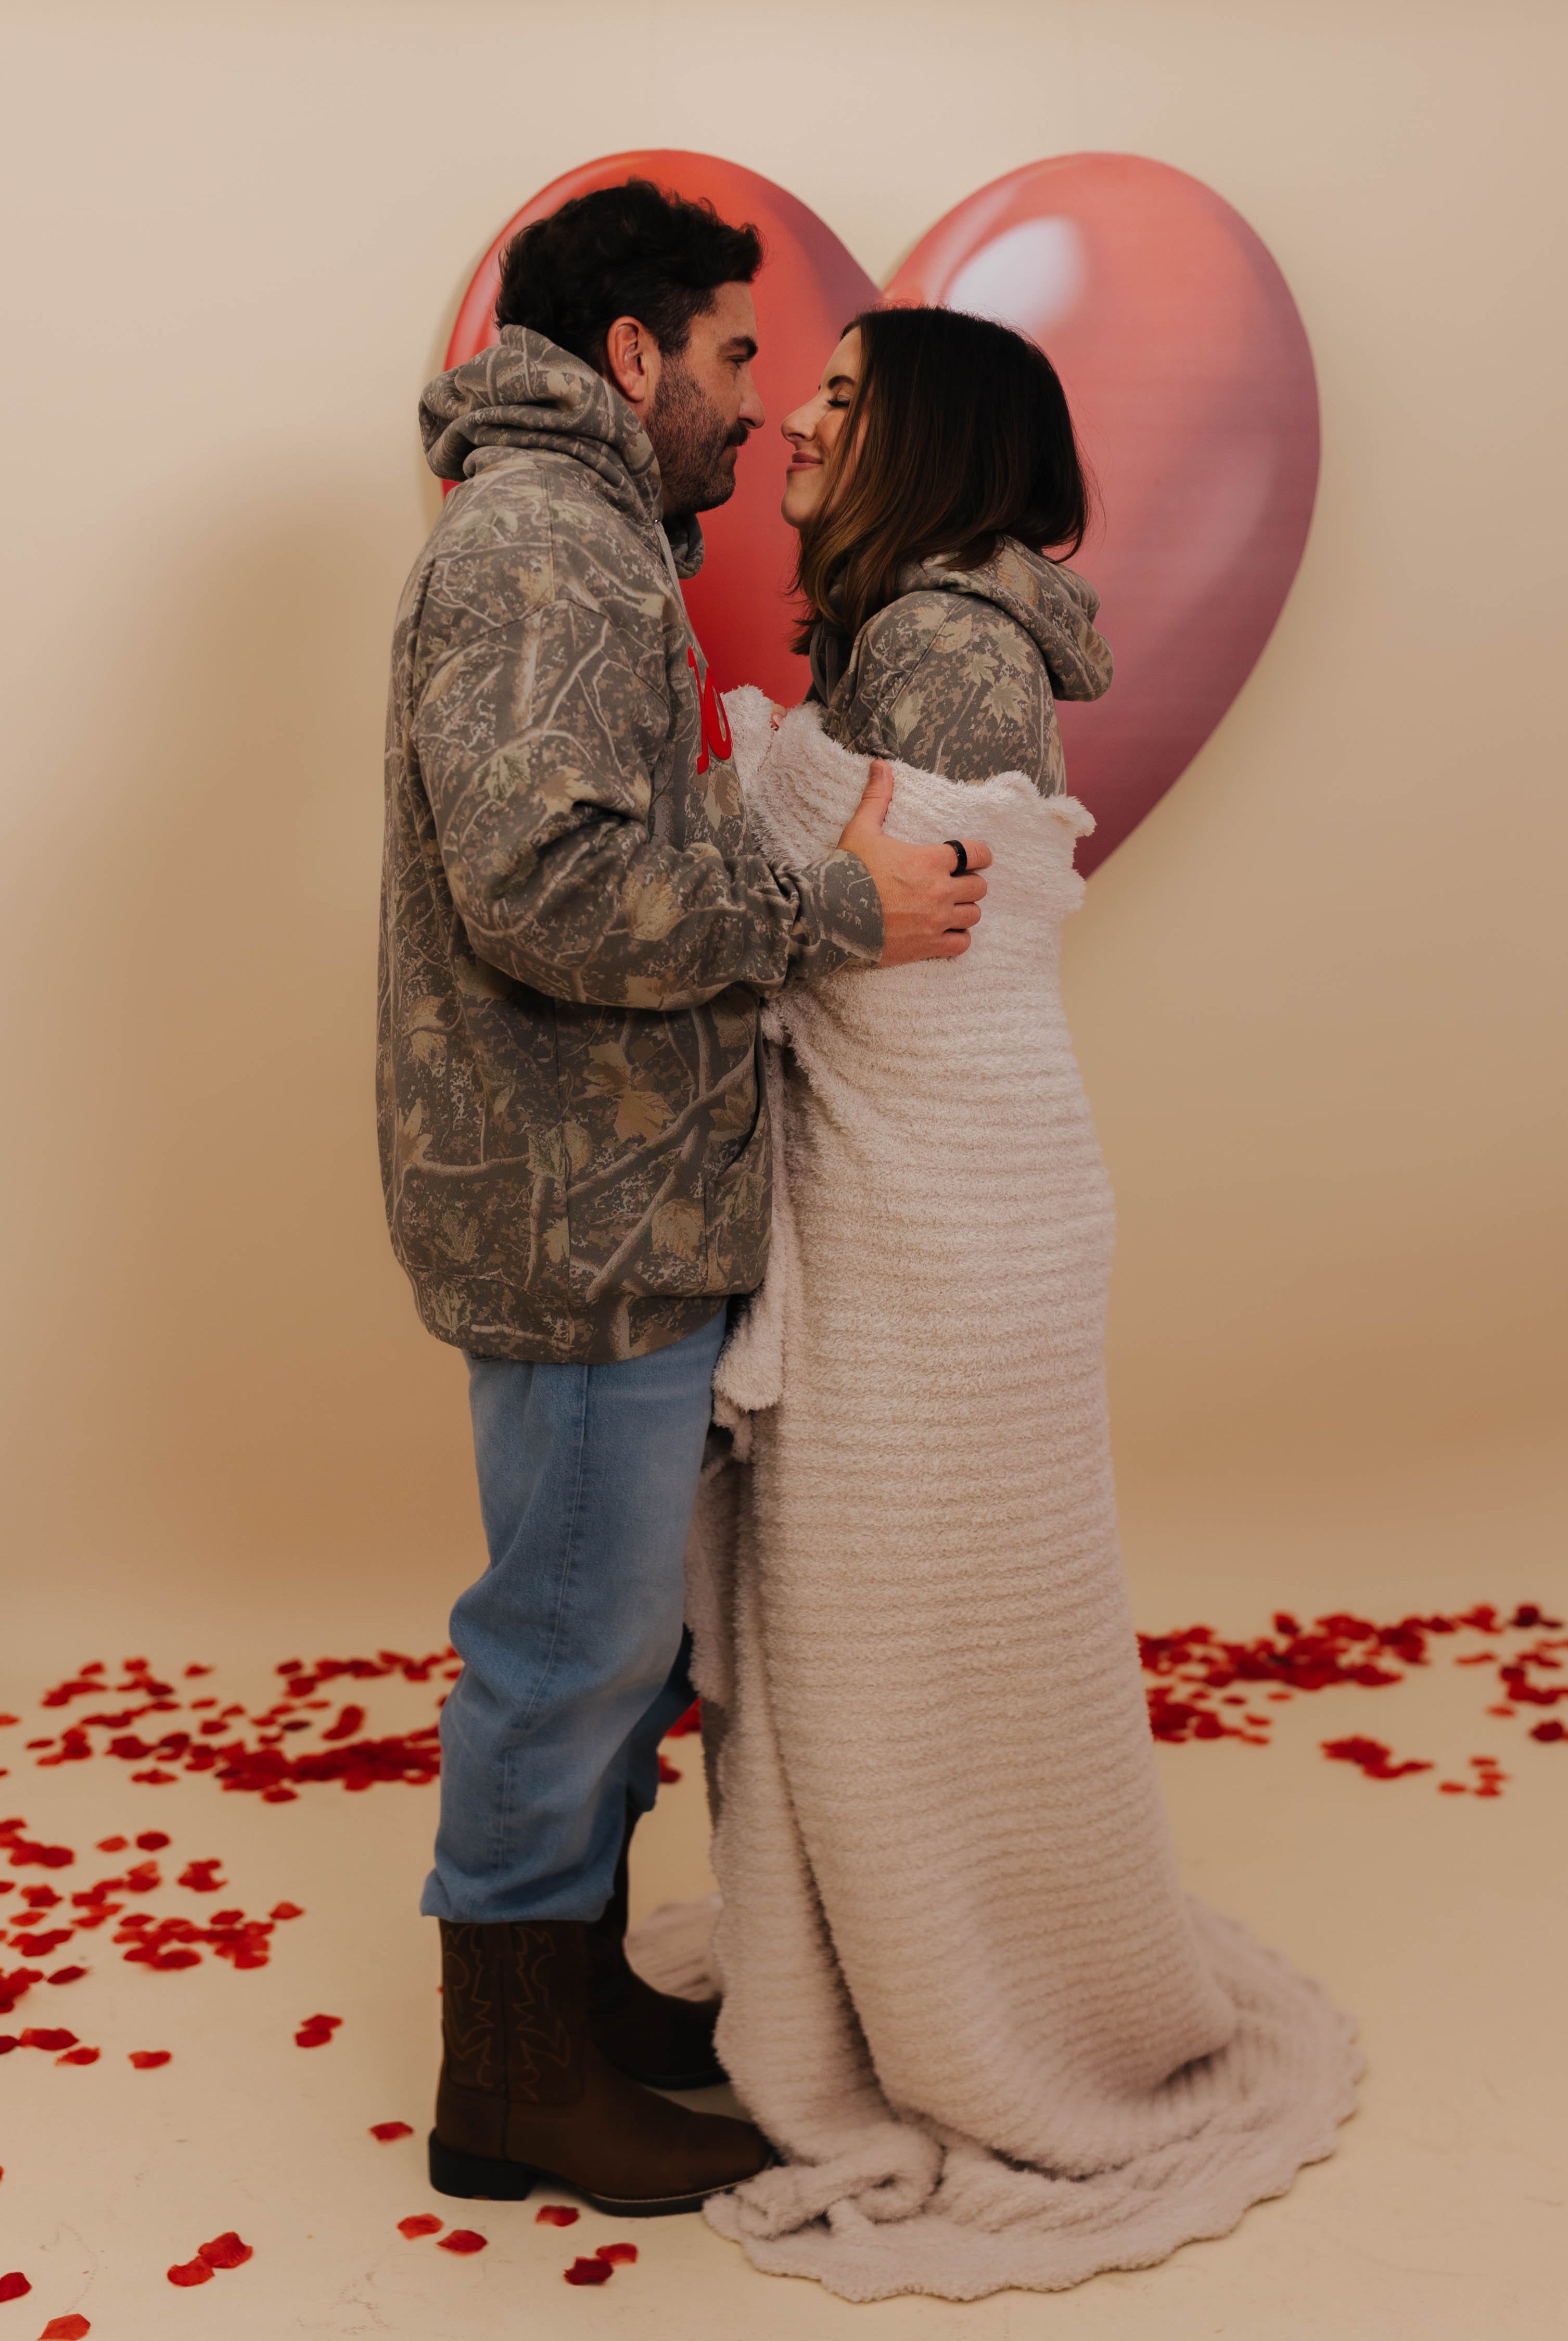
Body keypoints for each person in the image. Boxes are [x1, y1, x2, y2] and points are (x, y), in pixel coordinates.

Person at [671, 306, 1361, 2298]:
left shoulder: (935, 643)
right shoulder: (944, 620)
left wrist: (744, 806)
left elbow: (901, 940)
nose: (802, 417)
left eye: (850, 401)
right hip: (973, 1209)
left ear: (933, 442)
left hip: (943, 1216)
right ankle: (928, 1973)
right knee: (930, 1631)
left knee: (894, 1634)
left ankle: (960, 2024)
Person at [377, 188, 992, 2218]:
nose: (753, 406)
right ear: (632, 358)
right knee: (567, 1642)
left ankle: (569, 1997)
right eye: (736, 357)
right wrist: (838, 907)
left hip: (613, 1194)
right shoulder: (546, 547)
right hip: (576, 1213)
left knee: (615, 1645)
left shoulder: (579, 539)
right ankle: (509, 2084)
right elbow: (548, 890)